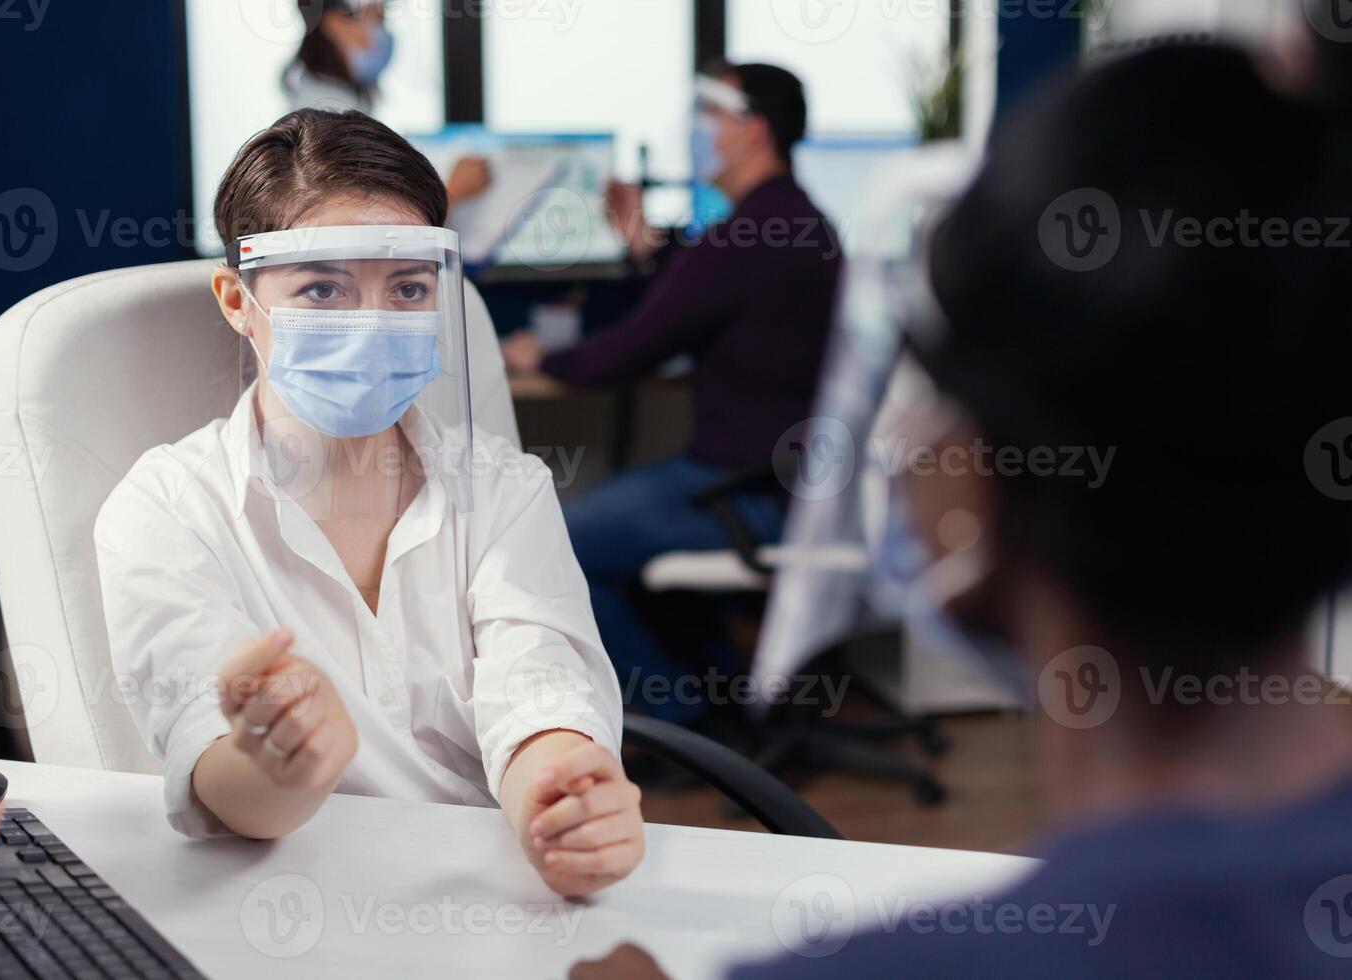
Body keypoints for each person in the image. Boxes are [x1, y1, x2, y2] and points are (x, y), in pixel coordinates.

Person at [570, 36, 1352, 979]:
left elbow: (635, 346)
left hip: (732, 487)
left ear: (973, 476)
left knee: (572, 533)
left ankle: (687, 723)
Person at [94, 108, 643, 899]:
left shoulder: (503, 489)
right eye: (322, 289)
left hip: (487, 903)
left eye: (409, 289)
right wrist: (275, 761)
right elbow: (220, 771)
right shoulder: (166, 507)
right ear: (236, 300)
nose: (373, 327)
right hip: (280, 913)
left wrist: (564, 804)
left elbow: (540, 696)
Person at [502, 64, 843, 722]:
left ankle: (680, 725)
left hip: (744, 493)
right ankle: (723, 705)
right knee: (626, 553)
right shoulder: (789, 220)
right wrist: (639, 238)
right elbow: (691, 293)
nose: (693, 129)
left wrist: (540, 354)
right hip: (788, 482)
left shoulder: (746, 236)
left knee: (557, 542)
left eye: (707, 113)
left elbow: (632, 347)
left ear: (754, 129)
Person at [284, 0, 491, 207]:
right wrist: (452, 193)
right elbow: (362, 220)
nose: (383, 34)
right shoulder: (328, 117)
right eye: (378, 18)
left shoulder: (335, 104)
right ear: (336, 23)